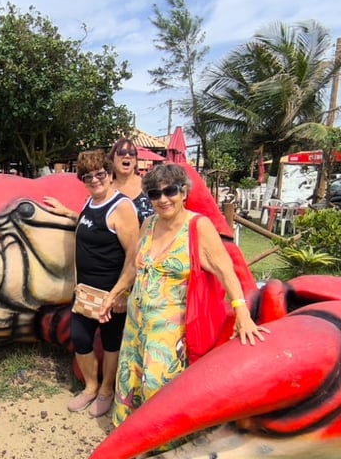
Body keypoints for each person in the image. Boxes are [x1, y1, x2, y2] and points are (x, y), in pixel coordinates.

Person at [100, 162, 268, 426]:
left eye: (170, 191)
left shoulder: (198, 226)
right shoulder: (149, 224)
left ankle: (161, 440)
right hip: (136, 322)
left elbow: (226, 271)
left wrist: (242, 313)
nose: (163, 199)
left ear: (184, 192)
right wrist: (113, 294)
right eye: (155, 194)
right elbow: (134, 266)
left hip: (170, 328)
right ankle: (129, 435)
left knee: (157, 384)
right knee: (129, 378)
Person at [44, 149, 139, 417]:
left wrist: (121, 294)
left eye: (100, 174)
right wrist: (66, 212)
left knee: (111, 343)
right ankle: (90, 387)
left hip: (111, 293)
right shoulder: (90, 202)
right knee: (80, 338)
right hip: (85, 292)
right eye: (88, 177)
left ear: (110, 174)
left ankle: (106, 390)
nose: (95, 180)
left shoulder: (121, 207)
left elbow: (133, 256)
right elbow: (90, 225)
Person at [108, 138, 154, 224]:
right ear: (112, 158)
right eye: (121, 152)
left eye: (132, 153)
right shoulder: (105, 189)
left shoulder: (149, 186)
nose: (127, 156)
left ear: (135, 161)